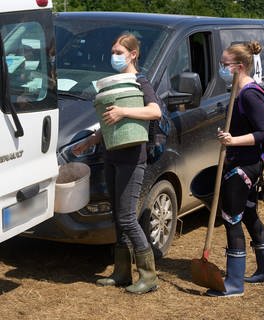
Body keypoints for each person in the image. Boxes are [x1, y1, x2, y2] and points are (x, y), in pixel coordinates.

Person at [72, 33, 161, 294]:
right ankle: (121, 272)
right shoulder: (115, 83)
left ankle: (149, 276)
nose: (115, 56)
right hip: (112, 154)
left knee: (127, 217)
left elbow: (155, 111)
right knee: (117, 216)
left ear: (133, 54)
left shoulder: (139, 82)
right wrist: (90, 142)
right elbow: (111, 122)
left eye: (119, 52)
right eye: (113, 51)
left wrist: (124, 111)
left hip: (133, 157)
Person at [206, 41, 264, 297]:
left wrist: (233, 141)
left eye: (225, 65)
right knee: (248, 215)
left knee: (231, 218)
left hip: (246, 166)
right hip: (239, 161)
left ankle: (234, 283)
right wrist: (229, 135)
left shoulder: (250, 94)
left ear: (240, 66)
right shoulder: (237, 91)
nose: (222, 69)